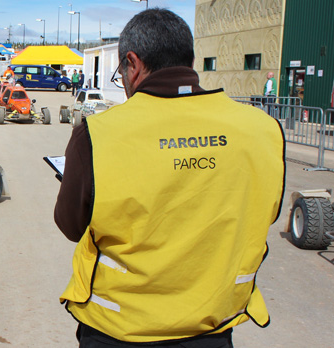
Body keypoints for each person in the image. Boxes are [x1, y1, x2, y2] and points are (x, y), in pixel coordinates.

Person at [54, 9, 285, 347]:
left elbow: (70, 225)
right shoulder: (263, 131)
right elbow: (266, 211)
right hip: (212, 331)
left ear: (132, 64)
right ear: (188, 59)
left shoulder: (97, 135)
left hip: (118, 332)